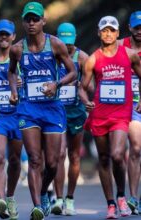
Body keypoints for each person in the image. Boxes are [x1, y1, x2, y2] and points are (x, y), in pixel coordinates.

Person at [8, 2, 77, 220]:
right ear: (23, 22)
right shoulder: (17, 49)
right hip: (28, 109)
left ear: (43, 21)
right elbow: (11, 72)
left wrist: (56, 85)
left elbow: (73, 72)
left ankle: (44, 191)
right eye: (27, 19)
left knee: (53, 162)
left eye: (35, 19)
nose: (31, 23)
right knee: (35, 159)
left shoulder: (55, 44)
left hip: (52, 108)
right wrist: (13, 91)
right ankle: (37, 206)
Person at [79, 15, 141, 219]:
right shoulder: (93, 58)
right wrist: (85, 101)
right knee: (104, 159)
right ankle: (111, 203)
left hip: (121, 115)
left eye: (111, 30)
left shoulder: (130, 54)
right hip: (100, 115)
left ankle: (122, 196)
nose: (108, 33)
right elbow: (83, 87)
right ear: (99, 33)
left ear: (117, 33)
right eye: (104, 30)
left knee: (117, 154)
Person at [0, 19, 23, 220]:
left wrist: (22, 82)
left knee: (15, 160)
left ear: (13, 37)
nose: (3, 37)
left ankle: (10, 197)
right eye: (0, 34)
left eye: (7, 34)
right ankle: (0, 201)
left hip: (17, 115)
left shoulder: (20, 57)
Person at [51, 22, 89, 216]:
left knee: (74, 156)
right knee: (59, 155)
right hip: (56, 111)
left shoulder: (82, 58)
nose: (67, 47)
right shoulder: (50, 54)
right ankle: (58, 198)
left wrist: (82, 87)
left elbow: (91, 85)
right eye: (63, 42)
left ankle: (70, 198)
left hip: (76, 111)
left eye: (70, 43)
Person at [118, 11, 141, 215]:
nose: (140, 31)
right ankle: (134, 198)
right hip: (128, 106)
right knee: (135, 149)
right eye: (137, 27)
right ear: (130, 28)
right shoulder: (118, 46)